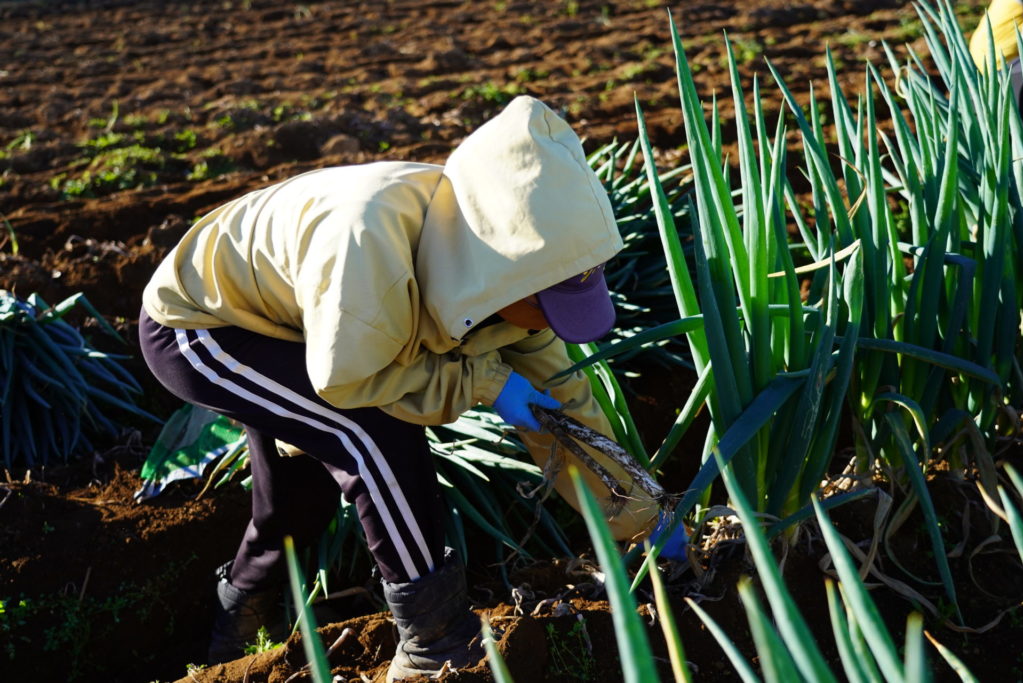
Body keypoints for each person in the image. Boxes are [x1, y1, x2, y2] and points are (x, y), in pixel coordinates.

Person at [139, 95, 683, 681]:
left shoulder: (513, 273)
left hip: (315, 323)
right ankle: (434, 641)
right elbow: (351, 380)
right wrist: (488, 381)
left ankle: (234, 626)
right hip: (205, 325)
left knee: (300, 495)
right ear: (508, 277)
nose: (552, 322)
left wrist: (643, 517)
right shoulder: (372, 246)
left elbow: (566, 404)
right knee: (373, 433)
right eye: (549, 304)